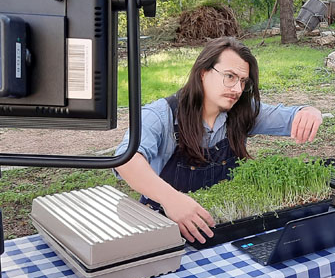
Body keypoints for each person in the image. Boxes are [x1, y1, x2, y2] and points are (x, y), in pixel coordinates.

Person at [115, 37, 323, 244]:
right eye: (230, 76)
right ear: (203, 72)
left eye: (243, 81)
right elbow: (127, 160)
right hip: (164, 234)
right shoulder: (161, 115)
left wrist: (310, 112)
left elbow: (293, 116)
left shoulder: (242, 112)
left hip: (223, 231)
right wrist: (171, 199)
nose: (237, 89)